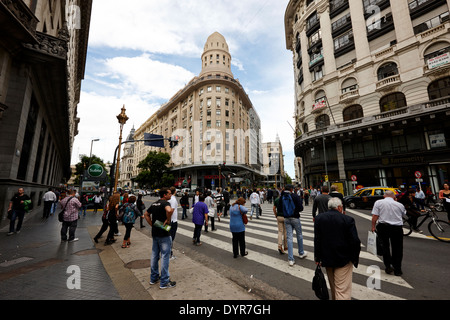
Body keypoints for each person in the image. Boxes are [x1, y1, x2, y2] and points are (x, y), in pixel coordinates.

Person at [314, 198, 361, 300]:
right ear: (339, 207)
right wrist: (354, 257)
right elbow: (355, 241)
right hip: (344, 259)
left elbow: (317, 239)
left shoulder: (319, 218)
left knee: (334, 287)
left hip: (327, 258)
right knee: (342, 290)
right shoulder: (348, 220)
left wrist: (317, 258)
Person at [145, 188, 176, 289]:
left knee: (154, 255)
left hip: (155, 232)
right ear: (165, 195)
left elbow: (146, 214)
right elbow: (169, 210)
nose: (171, 195)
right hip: (164, 233)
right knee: (165, 256)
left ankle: (153, 278)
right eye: (169, 194)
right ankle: (164, 281)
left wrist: (152, 225)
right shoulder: (165, 203)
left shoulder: (154, 203)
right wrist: (168, 219)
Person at [371, 190, 407, 276]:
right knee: (398, 248)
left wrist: (373, 226)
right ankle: (398, 269)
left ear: (384, 196)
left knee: (385, 246)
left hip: (384, 227)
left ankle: (388, 265)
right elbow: (403, 214)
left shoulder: (379, 202)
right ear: (394, 197)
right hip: (397, 228)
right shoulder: (400, 205)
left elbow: (375, 216)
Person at [279, 185, 307, 266]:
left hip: (286, 219)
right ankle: (301, 253)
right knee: (299, 235)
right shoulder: (295, 196)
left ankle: (291, 259)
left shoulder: (282, 197)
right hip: (295, 218)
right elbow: (301, 208)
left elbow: (280, 209)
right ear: (291, 189)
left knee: (289, 237)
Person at [168, 187, 179, 259]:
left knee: (168, 237)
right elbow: (171, 211)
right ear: (174, 191)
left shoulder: (169, 198)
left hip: (170, 221)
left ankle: (168, 252)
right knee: (171, 237)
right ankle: (169, 254)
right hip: (172, 221)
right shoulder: (173, 199)